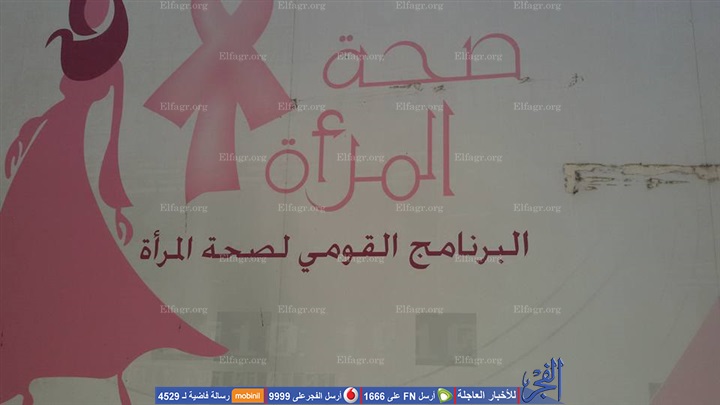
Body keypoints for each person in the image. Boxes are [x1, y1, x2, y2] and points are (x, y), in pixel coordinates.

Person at [0, 2, 226, 404]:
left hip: (73, 154)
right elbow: (61, 108)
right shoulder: (70, 43)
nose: (90, 10)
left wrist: (117, 203)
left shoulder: (115, 64)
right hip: (47, 151)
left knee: (86, 258)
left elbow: (113, 133)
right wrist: (26, 132)